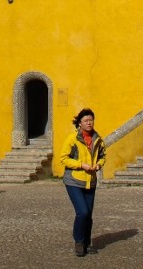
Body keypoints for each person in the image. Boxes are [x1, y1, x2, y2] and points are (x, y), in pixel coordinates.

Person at [59, 108, 106, 257]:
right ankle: (79, 241)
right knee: (82, 212)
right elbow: (63, 158)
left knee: (89, 214)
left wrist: (98, 164)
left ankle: (87, 242)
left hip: (90, 181)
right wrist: (81, 165)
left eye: (91, 120)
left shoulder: (97, 139)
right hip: (74, 180)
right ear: (79, 123)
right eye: (86, 120)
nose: (89, 123)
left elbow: (103, 156)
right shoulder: (72, 138)